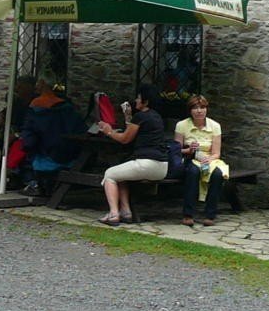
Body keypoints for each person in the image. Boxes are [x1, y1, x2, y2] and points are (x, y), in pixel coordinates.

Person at [95, 83, 168, 225]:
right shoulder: (156, 116)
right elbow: (132, 131)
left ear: (145, 101)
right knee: (121, 175)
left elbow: (125, 139)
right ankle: (126, 212)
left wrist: (108, 131)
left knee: (110, 174)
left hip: (146, 163)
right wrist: (128, 116)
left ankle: (113, 214)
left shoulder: (141, 116)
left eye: (138, 98)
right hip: (162, 166)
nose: (136, 100)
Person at [18, 77, 83, 197]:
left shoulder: (36, 107)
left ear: (42, 85)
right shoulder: (68, 107)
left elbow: (29, 138)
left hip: (46, 156)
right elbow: (80, 129)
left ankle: (33, 183)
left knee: (18, 152)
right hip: (69, 153)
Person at [175, 94, 230, 226]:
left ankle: (210, 215)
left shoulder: (215, 126)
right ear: (190, 110)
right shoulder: (182, 125)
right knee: (193, 172)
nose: (199, 111)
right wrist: (188, 150)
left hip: (209, 159)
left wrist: (208, 159)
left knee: (217, 174)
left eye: (202, 108)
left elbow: (216, 153)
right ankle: (188, 214)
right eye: (195, 108)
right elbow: (176, 150)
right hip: (190, 158)